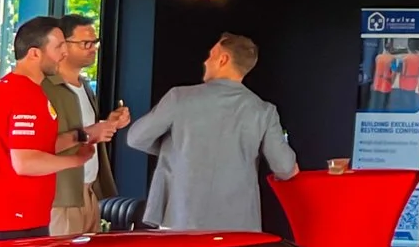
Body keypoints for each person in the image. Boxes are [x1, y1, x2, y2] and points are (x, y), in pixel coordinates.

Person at [128, 33, 299, 231]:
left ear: (223, 59)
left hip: (179, 218)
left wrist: (180, 148)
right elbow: (285, 168)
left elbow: (135, 138)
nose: (206, 61)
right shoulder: (264, 111)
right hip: (237, 227)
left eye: (211, 56)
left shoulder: (179, 97)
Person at [0, 16, 102, 241]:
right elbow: (26, 162)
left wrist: (78, 137)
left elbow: (38, 145)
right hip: (16, 219)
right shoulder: (23, 94)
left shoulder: (19, 90)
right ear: (34, 53)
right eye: (58, 46)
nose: (64, 53)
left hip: (24, 215)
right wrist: (76, 161)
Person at [44, 18, 128, 236]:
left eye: (95, 42)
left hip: (89, 191)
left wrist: (109, 124)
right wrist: (89, 133)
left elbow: (89, 134)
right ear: (63, 45)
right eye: (85, 43)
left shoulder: (86, 87)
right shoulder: (46, 88)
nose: (93, 49)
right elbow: (39, 146)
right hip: (61, 196)